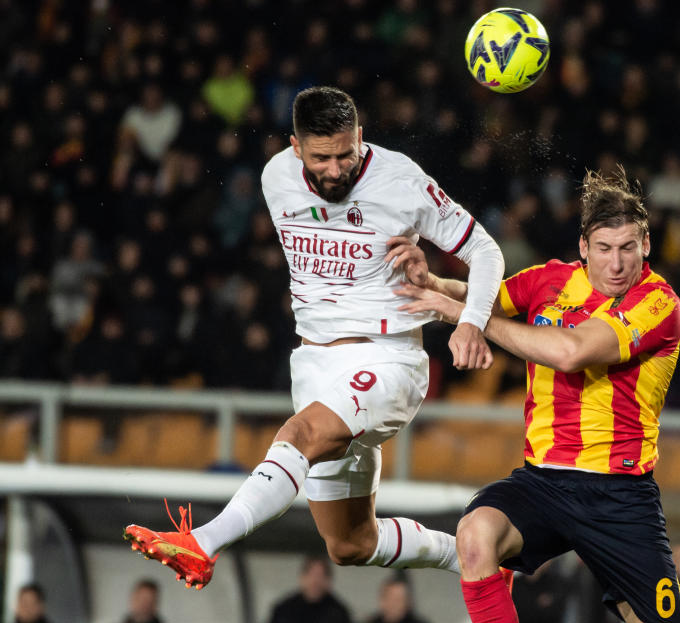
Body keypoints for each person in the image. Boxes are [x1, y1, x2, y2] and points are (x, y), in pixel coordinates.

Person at [124, 86, 505, 588]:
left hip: (387, 357)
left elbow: (485, 250)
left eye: (347, 154)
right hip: (313, 364)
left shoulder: (400, 180)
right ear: (295, 146)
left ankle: (203, 542)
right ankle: (468, 558)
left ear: (361, 139)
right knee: (350, 545)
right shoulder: (274, 177)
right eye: (321, 157)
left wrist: (471, 320)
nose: (334, 169)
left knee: (298, 436)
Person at [394, 165, 680, 623]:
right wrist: (434, 284)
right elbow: (481, 297)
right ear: (584, 247)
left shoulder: (658, 303)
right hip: (543, 482)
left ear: (645, 246)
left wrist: (466, 319)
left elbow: (571, 353)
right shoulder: (550, 281)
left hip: (620, 494)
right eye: (605, 249)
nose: (616, 264)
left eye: (628, 248)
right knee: (474, 535)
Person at [262, 555, 354, 623]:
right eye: (311, 575)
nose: (315, 581)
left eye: (320, 576)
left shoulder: (338, 614)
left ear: (328, 581)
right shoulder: (284, 610)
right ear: (302, 577)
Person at [357, 573, 431, 623]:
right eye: (390, 599)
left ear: (408, 603)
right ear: (381, 600)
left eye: (399, 600)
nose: (394, 605)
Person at [103, 579, 178, 623]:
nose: (144, 605)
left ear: (155, 604)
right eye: (140, 599)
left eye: (149, 601)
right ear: (132, 599)